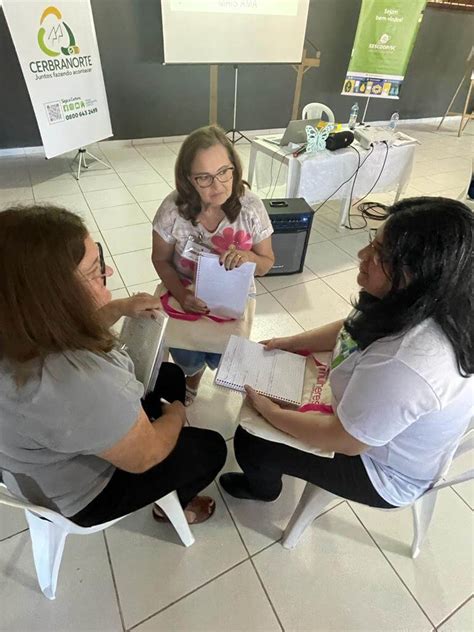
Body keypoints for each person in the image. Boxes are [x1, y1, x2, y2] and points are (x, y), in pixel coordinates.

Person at [220, 197, 473, 509]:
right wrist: (291, 343)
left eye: (379, 253)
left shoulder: (407, 362)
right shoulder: (425, 301)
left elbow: (346, 441)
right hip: (367, 416)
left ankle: (263, 489)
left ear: (416, 274)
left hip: (381, 470)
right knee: (277, 396)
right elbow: (353, 327)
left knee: (252, 439)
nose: (362, 254)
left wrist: (271, 412)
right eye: (372, 242)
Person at [0, 205, 227, 527]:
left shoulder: (17, 323)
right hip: (83, 496)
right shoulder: (77, 383)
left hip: (30, 464)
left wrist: (118, 308)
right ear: (52, 298)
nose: (109, 276)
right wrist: (175, 415)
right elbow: (144, 456)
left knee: (171, 374)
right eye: (94, 272)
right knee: (210, 447)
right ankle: (174, 507)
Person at [152, 125, 275, 404]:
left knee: (222, 354)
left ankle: (202, 372)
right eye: (204, 178)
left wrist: (250, 258)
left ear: (234, 166)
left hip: (232, 296)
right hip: (184, 290)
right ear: (188, 179)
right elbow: (160, 259)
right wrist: (182, 295)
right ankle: (191, 377)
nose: (218, 185)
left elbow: (267, 263)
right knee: (187, 354)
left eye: (224, 171)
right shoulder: (172, 210)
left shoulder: (251, 208)